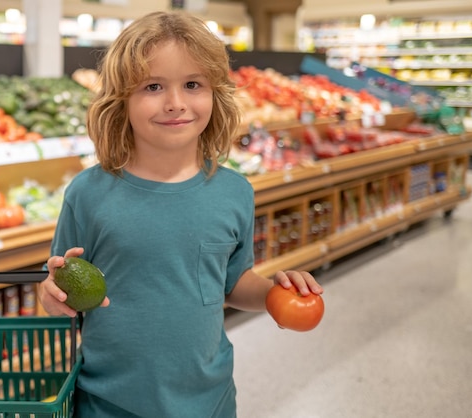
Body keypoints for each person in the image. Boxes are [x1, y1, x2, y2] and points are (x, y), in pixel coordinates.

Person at [38, 10, 324, 418]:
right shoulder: (88, 193)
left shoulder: (234, 192)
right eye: (153, 86)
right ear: (121, 100)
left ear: (215, 94)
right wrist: (50, 295)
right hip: (108, 403)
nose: (175, 103)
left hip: (209, 401)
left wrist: (277, 295)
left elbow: (231, 281)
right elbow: (58, 281)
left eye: (193, 84)